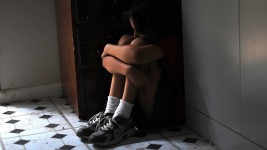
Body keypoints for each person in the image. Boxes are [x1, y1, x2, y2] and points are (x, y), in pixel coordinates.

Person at [76, 0, 183, 146]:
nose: (135, 34)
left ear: (152, 27)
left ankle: (123, 118)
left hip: (162, 111)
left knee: (136, 46)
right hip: (140, 104)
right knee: (125, 40)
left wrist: (107, 48)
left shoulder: (171, 41)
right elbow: (106, 62)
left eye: (139, 30)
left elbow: (136, 56)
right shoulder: (136, 39)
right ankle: (111, 114)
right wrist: (129, 70)